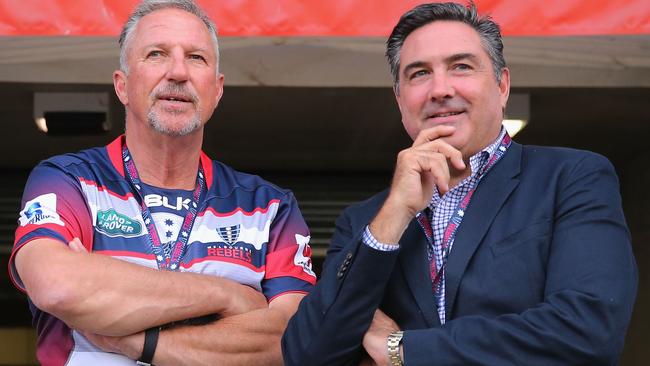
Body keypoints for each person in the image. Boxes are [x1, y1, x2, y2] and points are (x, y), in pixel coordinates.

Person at [282, 2, 637, 365]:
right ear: (399, 99)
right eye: (419, 73)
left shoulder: (571, 177)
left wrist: (401, 349)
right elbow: (307, 354)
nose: (440, 89)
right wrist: (395, 214)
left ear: (502, 85)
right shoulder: (365, 223)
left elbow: (588, 331)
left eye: (461, 67)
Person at [9, 0, 316, 365]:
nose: (178, 72)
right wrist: (228, 296)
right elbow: (57, 285)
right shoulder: (67, 179)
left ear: (217, 91)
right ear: (122, 86)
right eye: (156, 54)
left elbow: (291, 339)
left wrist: (135, 341)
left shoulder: (270, 206)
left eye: (196, 58)